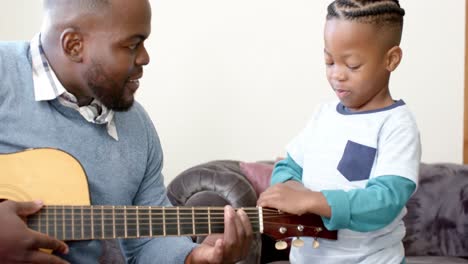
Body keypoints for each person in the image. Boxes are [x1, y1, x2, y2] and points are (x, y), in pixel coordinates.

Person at [0, 0, 252, 263]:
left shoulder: (137, 127)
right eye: (132, 45)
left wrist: (196, 258)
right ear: (74, 45)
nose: (145, 57)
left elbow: (149, 242)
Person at [257, 1, 420, 263]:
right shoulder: (323, 115)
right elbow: (288, 166)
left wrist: (313, 201)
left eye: (352, 65)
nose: (337, 75)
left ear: (391, 59)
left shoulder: (396, 124)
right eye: (329, 61)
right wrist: (291, 190)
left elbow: (385, 201)